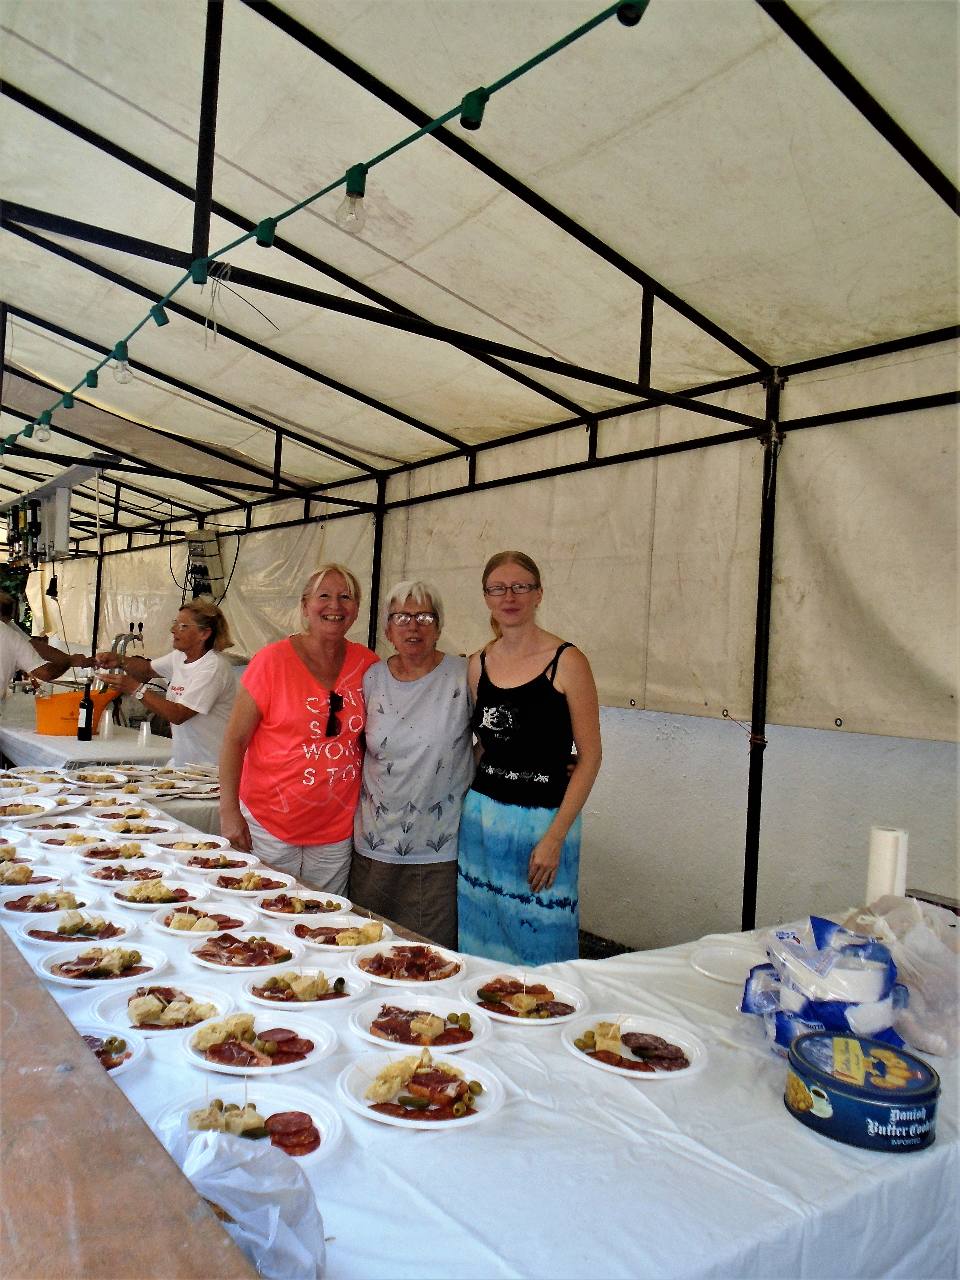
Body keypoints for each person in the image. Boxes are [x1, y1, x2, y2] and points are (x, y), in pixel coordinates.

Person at [458, 551, 602, 965]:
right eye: (498, 588)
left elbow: (590, 757)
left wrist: (555, 837)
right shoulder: (477, 664)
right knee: (481, 936)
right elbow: (485, 745)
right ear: (486, 597)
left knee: (543, 940)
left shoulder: (568, 662)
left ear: (538, 593)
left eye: (520, 586)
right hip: (482, 819)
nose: (510, 597)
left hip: (544, 823)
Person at [219, 564, 378, 894]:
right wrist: (229, 811)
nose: (335, 606)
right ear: (305, 606)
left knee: (325, 914)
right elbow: (235, 740)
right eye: (324, 596)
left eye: (345, 597)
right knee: (266, 907)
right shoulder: (272, 661)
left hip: (335, 827)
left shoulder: (368, 665)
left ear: (356, 608)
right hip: (269, 823)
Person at [351, 580, 474, 949]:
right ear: (388, 630)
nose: (413, 626)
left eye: (425, 617)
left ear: (439, 626)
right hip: (374, 841)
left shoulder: (464, 674)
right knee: (368, 947)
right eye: (401, 617)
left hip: (437, 846)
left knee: (429, 954)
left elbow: (499, 731)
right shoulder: (371, 678)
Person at [97, 600, 237, 766]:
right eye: (175, 623)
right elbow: (147, 670)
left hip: (211, 766)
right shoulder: (180, 656)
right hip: (183, 762)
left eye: (183, 626)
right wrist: (120, 660)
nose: (173, 630)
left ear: (204, 633)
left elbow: (179, 715)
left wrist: (136, 689)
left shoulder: (213, 667)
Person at [0, 592, 72, 707]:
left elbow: (34, 646)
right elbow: (46, 673)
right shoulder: (8, 632)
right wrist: (68, 661)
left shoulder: (9, 629)